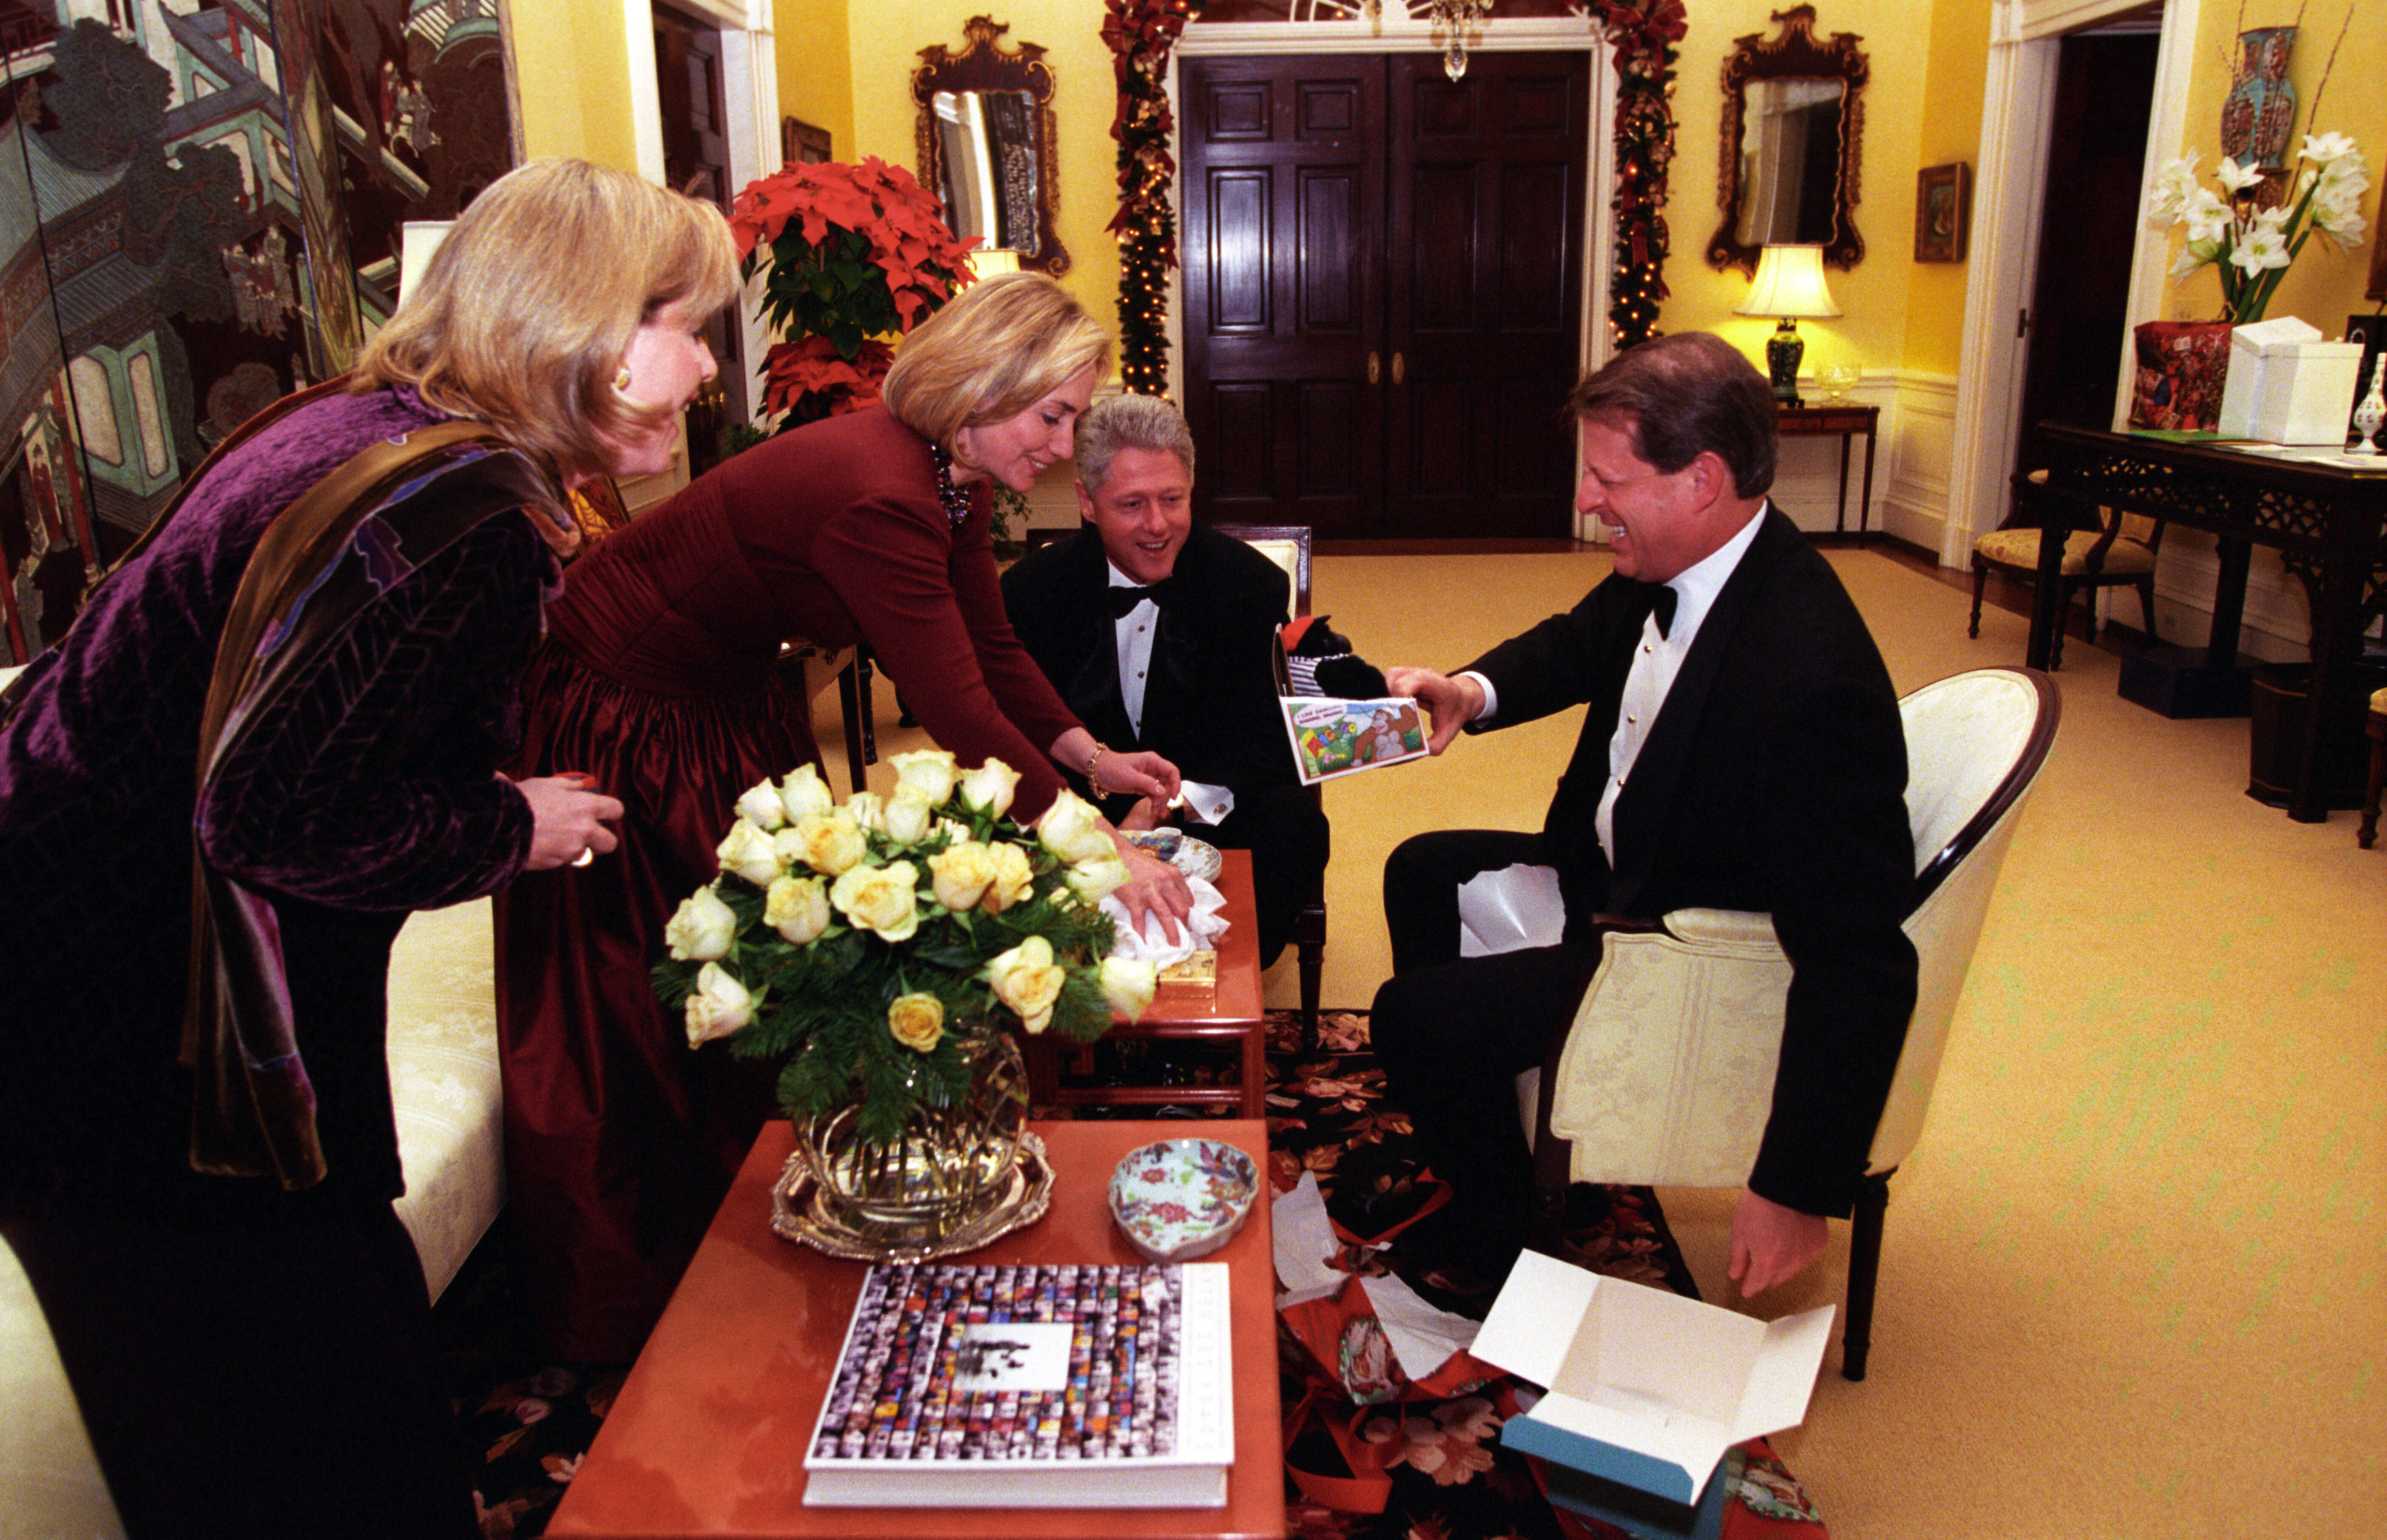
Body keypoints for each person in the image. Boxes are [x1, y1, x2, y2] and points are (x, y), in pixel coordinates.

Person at [0, 158, 732, 1540]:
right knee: (300, 1444)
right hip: (136, 1059)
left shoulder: (369, 425)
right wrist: (513, 824)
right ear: (575, 324)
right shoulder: (453, 519)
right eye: (683, 327)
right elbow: (270, 818)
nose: (703, 367)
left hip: (96, 1011)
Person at [498, 271, 1191, 1364]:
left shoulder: (952, 474)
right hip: (626, 707)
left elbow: (991, 649)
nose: (1064, 448)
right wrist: (1100, 842)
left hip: (722, 699)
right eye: (1052, 416)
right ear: (979, 389)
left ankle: (758, 1216)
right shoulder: (883, 492)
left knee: (772, 961)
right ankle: (647, 1275)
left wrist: (1093, 757)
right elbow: (958, 712)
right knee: (652, 988)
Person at [1371, 332, 1917, 1299]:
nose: (1586, 499)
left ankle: (1500, 1239)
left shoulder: (1809, 675)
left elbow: (1862, 957)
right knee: (1419, 868)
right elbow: (1574, 644)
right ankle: (1492, 1150)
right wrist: (1467, 689)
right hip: (1619, 863)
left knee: (1412, 1017)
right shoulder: (1682, 563)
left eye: (1607, 478)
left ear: (1700, 479)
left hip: (1678, 941)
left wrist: (1795, 1185)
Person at [1001, 393, 1329, 966]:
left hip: (1204, 805)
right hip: (1076, 805)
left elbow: (1263, 739)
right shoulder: (1029, 592)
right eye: (1132, 505)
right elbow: (1017, 735)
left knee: (1292, 821)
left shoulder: (1249, 584)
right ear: (1086, 502)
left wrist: (1168, 806)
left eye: (1172, 500)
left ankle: (1224, 980)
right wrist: (1095, 825)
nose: (1157, 525)